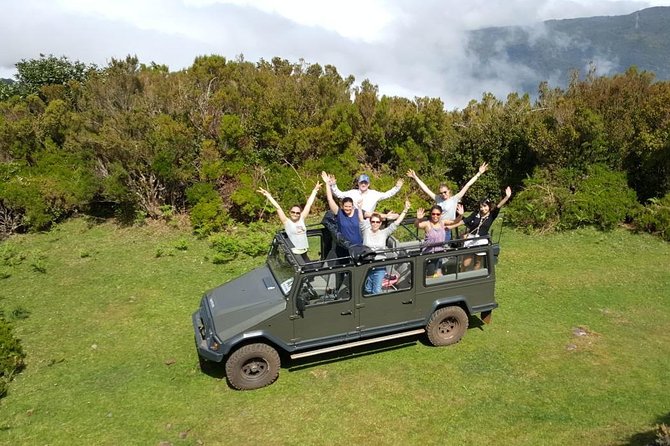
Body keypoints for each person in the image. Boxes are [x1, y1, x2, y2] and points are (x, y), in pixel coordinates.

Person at [406, 162, 488, 239]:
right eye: (441, 193)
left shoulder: (454, 199)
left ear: (449, 191)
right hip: (434, 228)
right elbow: (426, 189)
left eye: (445, 192)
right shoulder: (438, 199)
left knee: (444, 249)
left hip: (446, 229)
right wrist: (415, 177)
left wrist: (479, 173)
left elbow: (467, 185)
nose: (443, 194)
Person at [448, 186, 512, 271]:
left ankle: (475, 279)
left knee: (478, 262)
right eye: (481, 206)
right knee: (465, 263)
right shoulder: (476, 213)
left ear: (489, 206)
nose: (483, 208)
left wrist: (507, 197)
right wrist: (451, 226)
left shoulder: (492, 215)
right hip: (471, 239)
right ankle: (462, 277)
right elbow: (465, 221)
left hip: (482, 240)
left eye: (485, 206)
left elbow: (498, 206)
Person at [257, 181, 321, 261]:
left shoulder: (301, 219)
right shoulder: (286, 222)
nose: (295, 214)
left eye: (297, 213)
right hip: (294, 254)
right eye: (293, 212)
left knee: (310, 269)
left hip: (304, 252)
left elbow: (308, 204)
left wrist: (314, 190)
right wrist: (268, 196)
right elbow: (278, 208)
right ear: (290, 212)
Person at [358, 198, 411, 294]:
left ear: (380, 223)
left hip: (379, 265)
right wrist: (359, 208)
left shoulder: (384, 233)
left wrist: (405, 210)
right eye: (373, 222)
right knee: (367, 289)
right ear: (370, 222)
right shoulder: (366, 231)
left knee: (376, 290)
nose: (375, 224)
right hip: (367, 264)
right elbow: (361, 219)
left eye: (377, 222)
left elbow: (396, 223)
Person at [321, 171, 364, 259]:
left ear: (353, 206)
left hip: (358, 247)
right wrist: (327, 184)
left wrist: (386, 216)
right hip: (343, 248)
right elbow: (330, 200)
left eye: (349, 206)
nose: (348, 208)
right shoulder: (340, 213)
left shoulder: (357, 212)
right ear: (342, 206)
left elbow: (371, 215)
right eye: (346, 206)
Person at [326, 172, 404, 219]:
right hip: (355, 220)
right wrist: (333, 185)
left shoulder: (374, 194)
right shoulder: (352, 193)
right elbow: (339, 194)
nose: (363, 184)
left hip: (369, 221)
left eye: (365, 183)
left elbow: (387, 194)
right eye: (361, 182)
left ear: (368, 184)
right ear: (358, 183)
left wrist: (397, 187)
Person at [415, 205, 449, 278]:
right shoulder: (427, 224)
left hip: (439, 253)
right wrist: (418, 219)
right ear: (430, 214)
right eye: (433, 214)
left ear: (441, 214)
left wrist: (461, 215)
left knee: (438, 273)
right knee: (429, 275)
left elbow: (455, 221)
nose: (435, 216)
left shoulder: (442, 223)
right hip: (429, 254)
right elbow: (417, 225)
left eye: (438, 214)